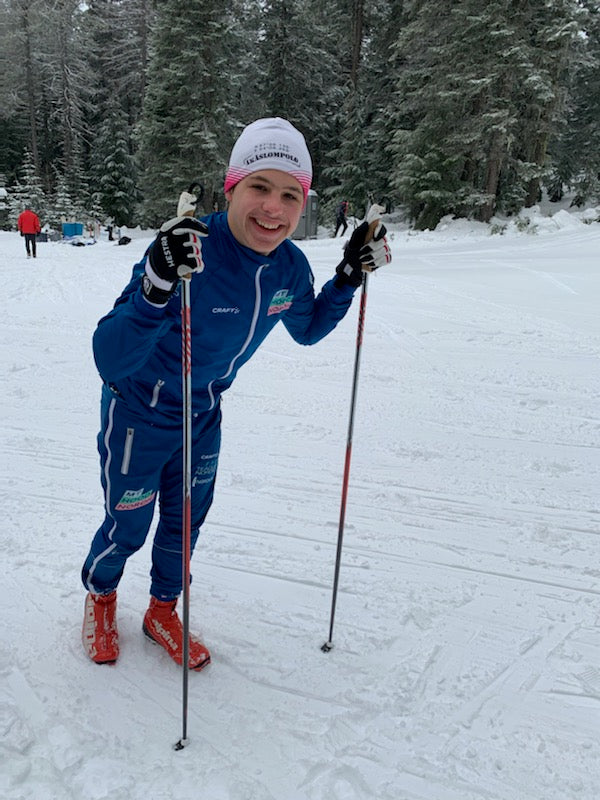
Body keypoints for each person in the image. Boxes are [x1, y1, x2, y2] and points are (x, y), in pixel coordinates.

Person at [81, 117, 392, 669]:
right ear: (232, 187)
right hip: (138, 411)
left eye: (290, 194)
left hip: (203, 415)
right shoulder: (187, 250)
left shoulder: (290, 270)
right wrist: (155, 284)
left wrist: (346, 277)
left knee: (185, 523)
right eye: (259, 188)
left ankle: (161, 610)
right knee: (128, 522)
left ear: (304, 202)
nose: (274, 208)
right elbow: (110, 355)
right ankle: (102, 596)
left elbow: (309, 328)